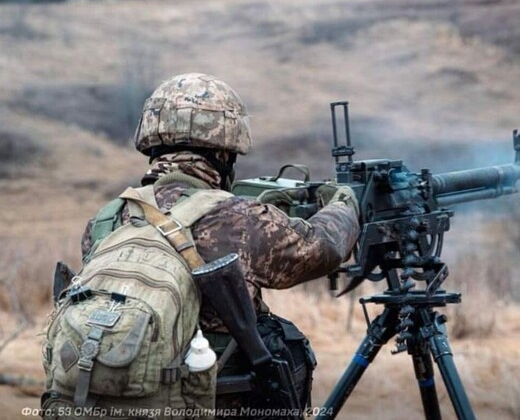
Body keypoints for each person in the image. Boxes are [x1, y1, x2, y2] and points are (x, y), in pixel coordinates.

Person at [79, 73, 361, 414]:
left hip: (111, 403)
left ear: (152, 148)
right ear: (224, 155)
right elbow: (322, 248)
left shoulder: (106, 219)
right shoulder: (237, 219)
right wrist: (345, 203)